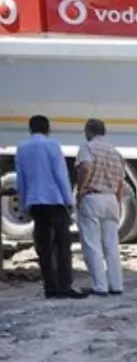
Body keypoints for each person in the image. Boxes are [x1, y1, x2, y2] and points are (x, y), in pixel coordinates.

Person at [15, 114, 82, 299]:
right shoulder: (52, 145)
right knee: (61, 244)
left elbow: (21, 179)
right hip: (54, 201)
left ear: (30, 129)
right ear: (48, 129)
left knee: (43, 245)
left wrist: (23, 204)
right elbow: (60, 174)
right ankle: (64, 286)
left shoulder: (22, 148)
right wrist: (69, 200)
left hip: (35, 202)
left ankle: (50, 287)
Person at [75, 118, 126, 296]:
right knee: (111, 245)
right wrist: (118, 203)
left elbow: (86, 167)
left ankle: (100, 286)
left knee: (92, 244)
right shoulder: (115, 152)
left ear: (88, 131)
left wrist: (80, 189)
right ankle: (116, 285)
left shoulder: (87, 147)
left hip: (93, 197)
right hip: (111, 199)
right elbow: (120, 183)